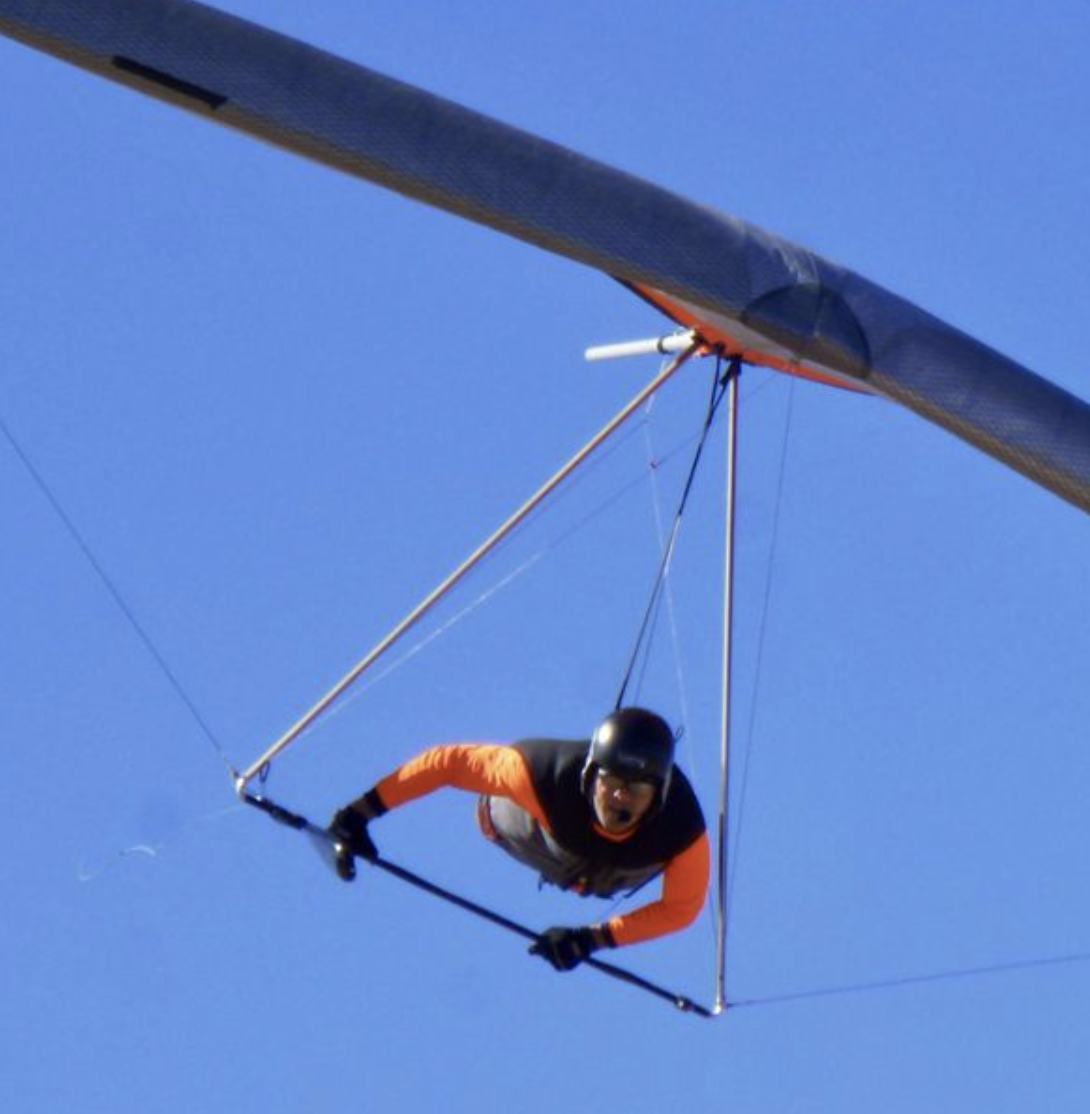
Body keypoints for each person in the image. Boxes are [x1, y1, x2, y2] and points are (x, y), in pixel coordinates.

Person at [329, 707, 710, 973]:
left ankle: (597, 862)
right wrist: (358, 815)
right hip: (532, 832)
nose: (620, 797)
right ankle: (511, 811)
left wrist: (590, 940)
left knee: (640, 858)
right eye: (611, 781)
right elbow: (448, 763)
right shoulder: (542, 774)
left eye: (637, 789)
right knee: (508, 795)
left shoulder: (682, 830)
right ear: (590, 775)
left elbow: (680, 910)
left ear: (658, 796)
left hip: (611, 872)